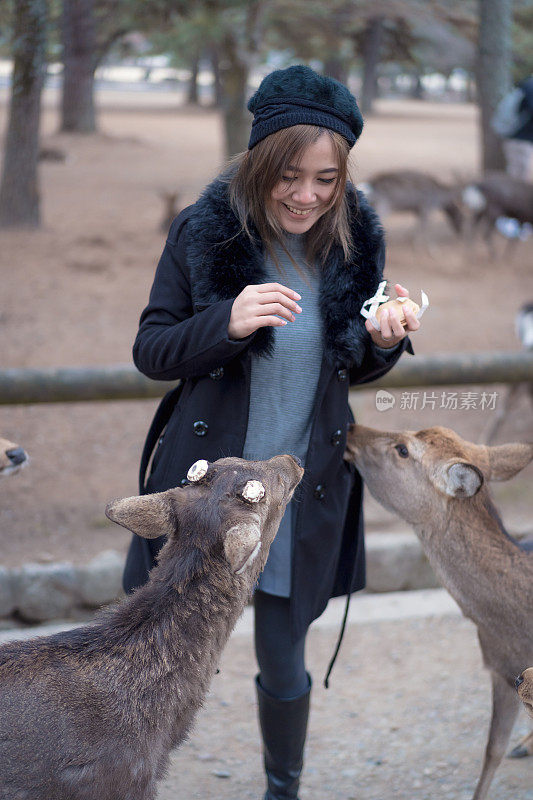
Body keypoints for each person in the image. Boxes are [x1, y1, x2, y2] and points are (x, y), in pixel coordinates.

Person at [123, 64, 420, 800]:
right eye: (290, 175)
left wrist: (382, 339)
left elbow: (351, 371)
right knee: (151, 656)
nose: (307, 196)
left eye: (326, 179)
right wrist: (223, 322)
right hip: (204, 490)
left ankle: (281, 790)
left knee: (284, 660)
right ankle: (115, 777)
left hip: (299, 490)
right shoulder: (203, 231)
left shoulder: (355, 241)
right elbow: (152, 349)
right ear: (259, 163)